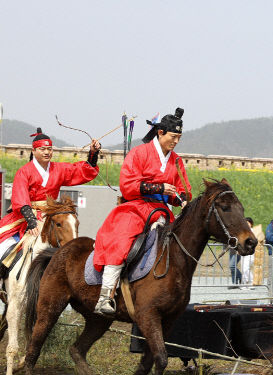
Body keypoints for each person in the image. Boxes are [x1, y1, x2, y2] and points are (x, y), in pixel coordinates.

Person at [93, 108, 191, 316]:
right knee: (121, 241)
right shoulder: (139, 153)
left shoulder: (177, 161)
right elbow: (127, 184)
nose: (176, 142)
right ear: (160, 133)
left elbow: (183, 188)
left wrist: (181, 199)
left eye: (179, 138)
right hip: (135, 207)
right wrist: (158, 188)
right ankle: (105, 296)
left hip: (162, 210)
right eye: (173, 137)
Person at [0, 128, 100, 266]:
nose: (47, 152)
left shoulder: (58, 169)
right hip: (26, 215)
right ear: (33, 151)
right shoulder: (24, 171)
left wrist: (93, 153)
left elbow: (81, 171)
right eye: (42, 149)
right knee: (4, 245)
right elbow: (20, 195)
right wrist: (30, 219)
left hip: (50, 214)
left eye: (49, 149)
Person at [240, 217, 255, 287]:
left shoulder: (253, 231)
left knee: (246, 268)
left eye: (248, 223)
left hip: (250, 252)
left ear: (251, 224)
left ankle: (247, 283)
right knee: (243, 268)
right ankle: (248, 283)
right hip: (243, 252)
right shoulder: (243, 231)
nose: (247, 224)